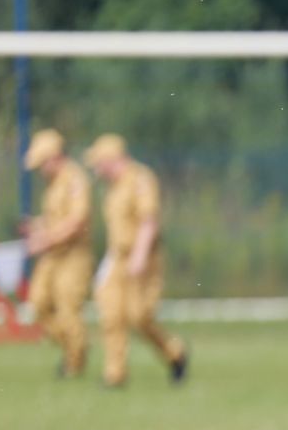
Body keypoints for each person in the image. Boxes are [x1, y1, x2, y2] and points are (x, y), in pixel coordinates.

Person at [86, 134, 188, 388]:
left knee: (139, 317)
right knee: (111, 314)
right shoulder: (112, 188)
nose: (97, 169)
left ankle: (175, 353)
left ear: (112, 159)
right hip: (118, 259)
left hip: (143, 258)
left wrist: (140, 256)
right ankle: (115, 374)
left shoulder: (140, 179)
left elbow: (148, 221)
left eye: (100, 163)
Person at [21, 130, 93, 379]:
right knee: (38, 304)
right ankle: (75, 345)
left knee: (67, 307)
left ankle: (74, 364)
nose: (41, 170)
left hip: (73, 255)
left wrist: (44, 240)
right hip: (53, 254)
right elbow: (57, 220)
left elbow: (76, 221)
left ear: (54, 157)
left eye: (42, 164)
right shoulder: (53, 185)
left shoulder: (75, 180)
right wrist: (37, 226)